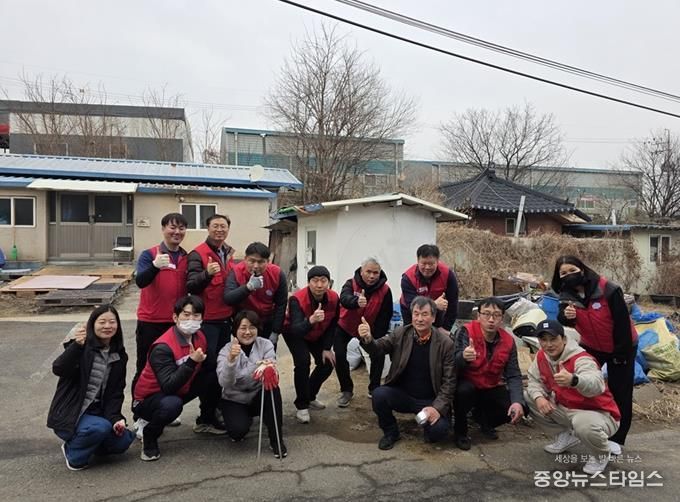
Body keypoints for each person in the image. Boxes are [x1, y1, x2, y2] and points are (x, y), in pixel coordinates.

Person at [553, 255, 637, 455]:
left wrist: (621, 353)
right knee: (581, 385)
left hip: (621, 344)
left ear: (582, 269)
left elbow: (622, 323)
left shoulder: (608, 289)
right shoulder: (566, 294)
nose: (568, 275)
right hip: (591, 346)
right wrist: (566, 316)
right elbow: (563, 318)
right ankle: (578, 429)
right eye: (563, 273)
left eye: (572, 270)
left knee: (620, 391)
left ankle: (616, 439)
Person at [132, 296, 223, 462]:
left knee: (214, 376)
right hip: (148, 399)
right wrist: (191, 362)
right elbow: (168, 386)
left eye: (196, 315)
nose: (191, 319)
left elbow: (211, 364)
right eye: (186, 315)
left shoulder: (199, 336)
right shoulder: (163, 347)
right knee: (172, 405)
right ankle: (150, 434)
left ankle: (205, 421)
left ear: (202, 318)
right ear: (175, 317)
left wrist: (231, 359)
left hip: (181, 386)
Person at [358, 296, 455, 450]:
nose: (419, 319)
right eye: (416, 314)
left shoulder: (445, 343)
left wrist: (437, 408)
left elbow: (449, 382)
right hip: (403, 395)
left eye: (425, 314)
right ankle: (391, 432)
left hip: (429, 399)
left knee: (438, 432)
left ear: (433, 317)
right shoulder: (401, 333)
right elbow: (378, 349)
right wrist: (368, 339)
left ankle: (428, 426)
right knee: (379, 395)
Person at [526, 319, 620, 475]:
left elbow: (596, 384)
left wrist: (574, 380)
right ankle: (565, 436)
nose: (549, 344)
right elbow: (533, 381)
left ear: (564, 339)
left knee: (582, 423)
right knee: (529, 397)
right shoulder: (542, 355)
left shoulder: (581, 358)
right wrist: (539, 398)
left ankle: (601, 455)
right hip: (567, 409)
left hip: (599, 414)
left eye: (553, 339)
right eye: (544, 340)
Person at [47, 305, 135, 471]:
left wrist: (115, 418)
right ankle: (73, 453)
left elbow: (116, 392)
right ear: (92, 325)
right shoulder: (82, 347)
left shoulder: (119, 355)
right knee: (99, 428)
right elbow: (58, 368)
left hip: (98, 413)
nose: (107, 326)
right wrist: (77, 346)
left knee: (123, 441)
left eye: (112, 322)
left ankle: (91, 442)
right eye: (102, 322)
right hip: (72, 413)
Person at [452, 297, 525, 450]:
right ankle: (460, 432)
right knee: (463, 391)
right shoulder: (465, 331)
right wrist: (463, 357)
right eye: (486, 314)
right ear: (478, 316)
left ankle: (484, 421)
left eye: (496, 315)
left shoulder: (508, 341)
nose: (491, 319)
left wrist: (517, 401)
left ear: (502, 318)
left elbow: (513, 374)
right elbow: (452, 364)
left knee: (518, 406)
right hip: (468, 384)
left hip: (490, 386)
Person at [186, 213, 235, 433]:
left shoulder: (228, 253)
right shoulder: (198, 254)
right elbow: (191, 286)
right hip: (207, 322)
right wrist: (206, 274)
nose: (219, 230)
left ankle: (215, 410)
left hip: (226, 320)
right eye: (215, 226)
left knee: (222, 367)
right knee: (209, 369)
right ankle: (205, 418)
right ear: (208, 228)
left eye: (223, 226)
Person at [217, 310, 287, 458]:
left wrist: (269, 369)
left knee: (273, 389)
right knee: (237, 433)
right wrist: (231, 360)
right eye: (243, 328)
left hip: (258, 395)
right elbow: (224, 382)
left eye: (252, 327)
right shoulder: (226, 350)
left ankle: (276, 439)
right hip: (234, 398)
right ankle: (242, 419)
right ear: (235, 330)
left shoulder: (266, 344)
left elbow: (272, 368)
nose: (248, 332)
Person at [133, 213, 189, 382]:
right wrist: (155, 266)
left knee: (172, 366)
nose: (177, 232)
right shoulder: (149, 255)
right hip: (151, 322)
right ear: (163, 229)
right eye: (172, 227)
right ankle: (140, 398)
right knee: (145, 366)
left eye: (181, 228)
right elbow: (140, 282)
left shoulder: (186, 257)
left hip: (176, 323)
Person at [334, 257, 393, 407]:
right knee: (339, 355)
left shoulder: (385, 290)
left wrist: (374, 337)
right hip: (345, 325)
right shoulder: (350, 283)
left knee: (378, 353)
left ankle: (374, 388)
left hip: (367, 329)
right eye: (368, 272)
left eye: (375, 273)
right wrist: (356, 302)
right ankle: (346, 390)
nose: (372, 276)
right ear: (361, 271)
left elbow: (385, 316)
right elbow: (344, 298)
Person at [282, 265, 338, 424]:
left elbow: (333, 323)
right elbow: (296, 329)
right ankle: (301, 405)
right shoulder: (296, 299)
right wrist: (311, 320)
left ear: (329, 283)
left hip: (317, 333)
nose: (319, 285)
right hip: (294, 332)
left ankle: (310, 396)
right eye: (315, 281)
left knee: (327, 363)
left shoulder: (334, 298)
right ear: (308, 283)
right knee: (303, 362)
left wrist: (327, 348)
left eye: (323, 281)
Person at [223, 241, 287, 348]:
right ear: (245, 259)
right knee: (243, 355)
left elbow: (281, 304)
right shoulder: (236, 272)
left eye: (261, 262)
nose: (256, 266)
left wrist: (276, 331)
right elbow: (228, 299)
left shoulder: (277, 273)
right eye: (251, 261)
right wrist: (248, 287)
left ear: (268, 261)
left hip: (267, 321)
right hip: (244, 323)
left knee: (267, 356)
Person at [400, 244, 459, 336]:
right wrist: (434, 304)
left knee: (437, 336)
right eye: (423, 264)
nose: (427, 267)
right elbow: (412, 306)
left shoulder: (448, 275)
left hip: (437, 312)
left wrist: (446, 328)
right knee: (414, 336)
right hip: (411, 311)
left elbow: (453, 303)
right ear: (418, 261)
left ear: (437, 261)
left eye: (431, 264)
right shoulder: (407, 278)